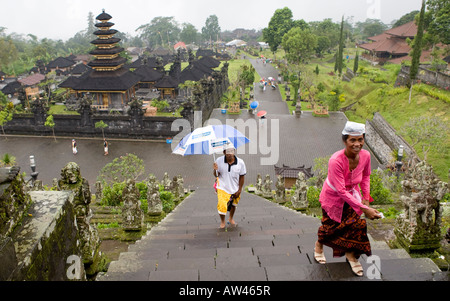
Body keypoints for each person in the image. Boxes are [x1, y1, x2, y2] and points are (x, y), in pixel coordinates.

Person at [314, 121, 382, 277]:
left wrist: (365, 198)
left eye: (360, 139)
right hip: (333, 198)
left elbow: (366, 176)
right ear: (345, 141)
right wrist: (365, 209)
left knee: (355, 225)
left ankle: (351, 255)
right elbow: (341, 190)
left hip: (353, 196)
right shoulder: (336, 161)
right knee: (330, 228)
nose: (357, 144)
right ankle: (319, 245)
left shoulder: (365, 156)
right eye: (353, 140)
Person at [213, 144, 246, 229]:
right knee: (222, 204)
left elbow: (242, 176)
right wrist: (215, 170)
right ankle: (222, 221)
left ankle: (231, 218)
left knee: (234, 204)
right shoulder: (219, 160)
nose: (229, 153)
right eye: (227, 151)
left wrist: (239, 190)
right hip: (222, 187)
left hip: (235, 187)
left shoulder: (240, 162)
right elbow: (216, 175)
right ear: (224, 152)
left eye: (231, 151)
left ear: (234, 151)